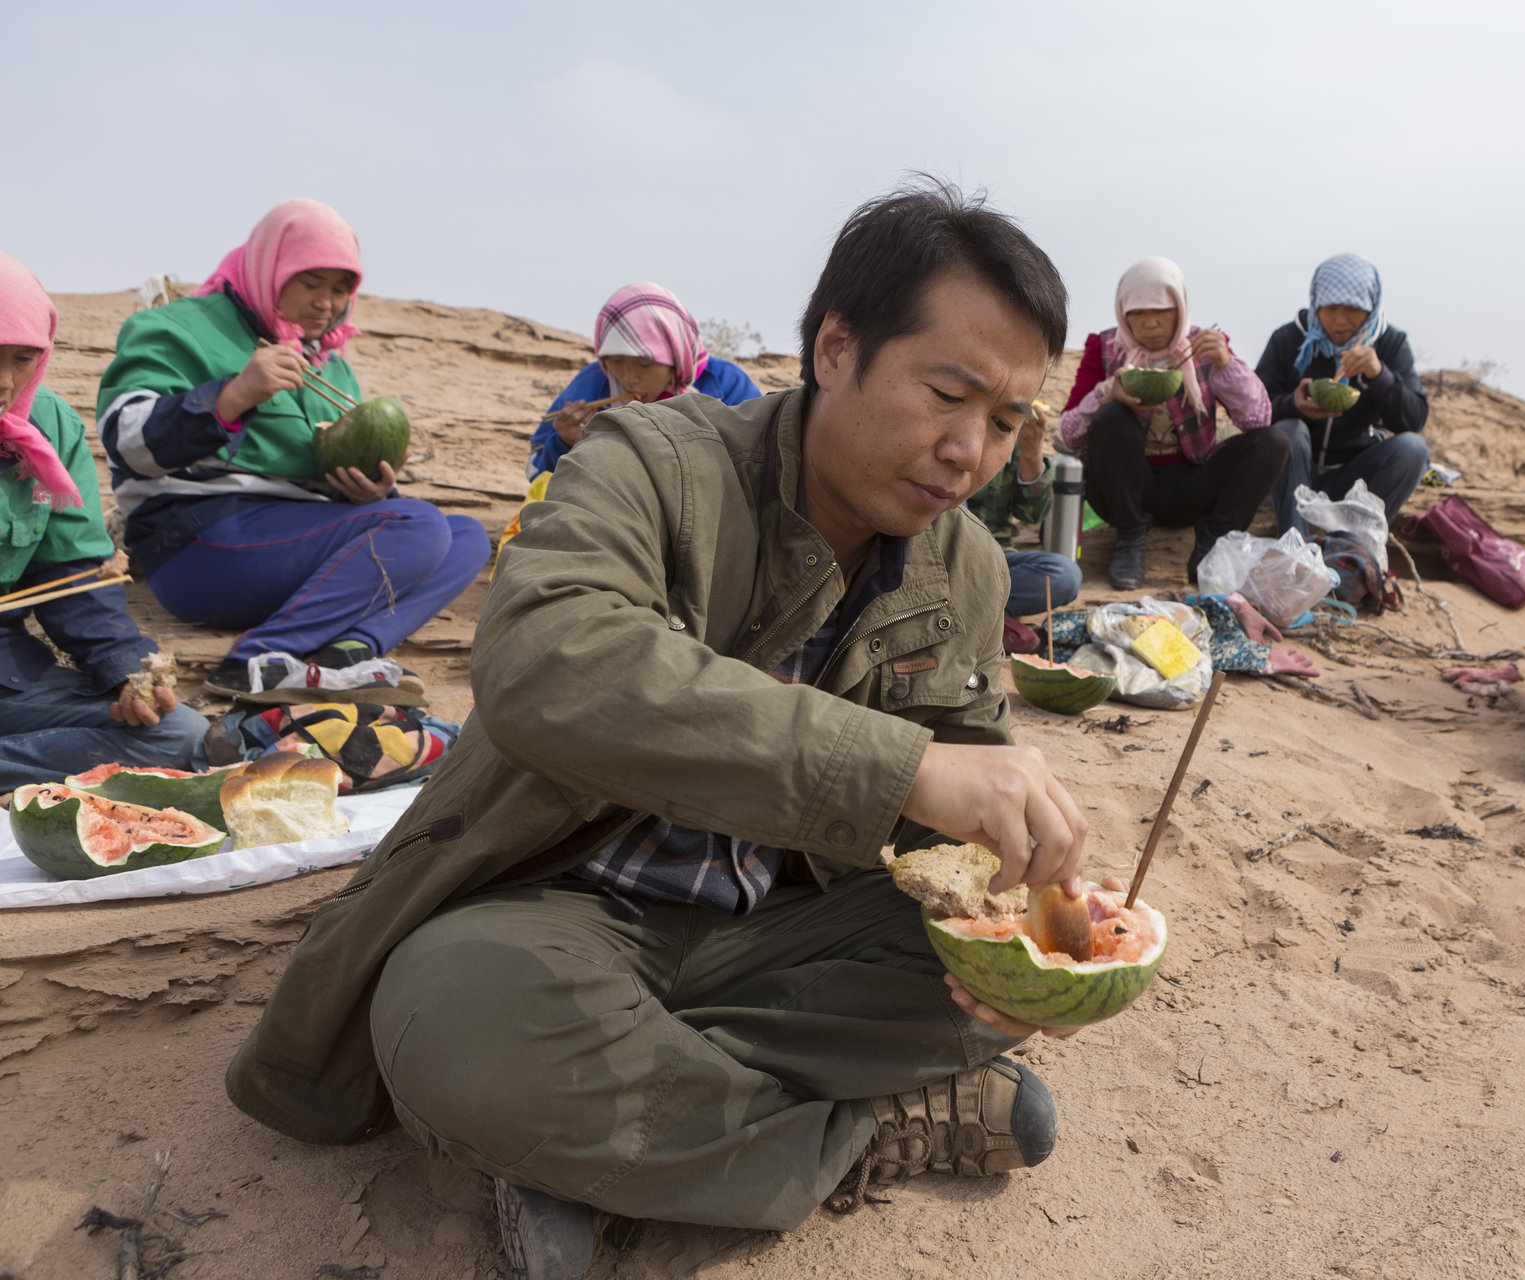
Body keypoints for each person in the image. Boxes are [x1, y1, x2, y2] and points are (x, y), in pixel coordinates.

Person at [226, 182, 1092, 1280]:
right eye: (948, 394)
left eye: (1007, 420)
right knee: (454, 1025)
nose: (971, 449)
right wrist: (902, 767)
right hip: (557, 907)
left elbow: (947, 816)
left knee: (991, 990)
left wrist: (1009, 914)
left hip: (779, 931)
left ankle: (611, 1139)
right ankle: (867, 1130)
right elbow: (546, 658)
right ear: (835, 346)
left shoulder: (966, 562)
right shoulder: (651, 461)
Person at [95, 199, 492, 704]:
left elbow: (319, 475)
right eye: (311, 282)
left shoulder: (330, 363)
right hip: (197, 544)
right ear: (270, 270)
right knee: (418, 525)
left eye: (340, 289)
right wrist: (231, 396)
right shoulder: (178, 326)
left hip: (289, 544)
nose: (326, 303)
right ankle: (255, 661)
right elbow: (126, 442)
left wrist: (371, 491)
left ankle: (345, 652)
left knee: (465, 535)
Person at [0, 252, 207, 788]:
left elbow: (74, 580)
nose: (5, 382)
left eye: (23, 359)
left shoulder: (49, 425)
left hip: (7, 678)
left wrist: (125, 673)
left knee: (178, 734)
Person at [1058, 257, 1281, 590]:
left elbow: (1257, 420)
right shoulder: (1102, 348)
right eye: (1138, 313)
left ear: (1179, 307)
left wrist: (1224, 363)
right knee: (1112, 416)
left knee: (1274, 442)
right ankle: (1131, 541)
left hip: (1193, 485)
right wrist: (1108, 395)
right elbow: (1069, 434)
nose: (1149, 324)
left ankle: (1213, 544)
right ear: (1123, 312)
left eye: (1160, 311)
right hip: (1124, 491)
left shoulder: (1207, 346)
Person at [1256, 253, 1429, 536]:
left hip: (1357, 475)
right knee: (1290, 429)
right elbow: (1254, 409)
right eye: (1330, 308)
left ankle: (1354, 546)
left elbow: (1414, 420)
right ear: (1315, 303)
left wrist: (1379, 375)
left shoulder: (1389, 343)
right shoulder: (1288, 339)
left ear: (1371, 307)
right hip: (1299, 474)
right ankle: (1294, 543)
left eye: (1352, 308)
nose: (1340, 320)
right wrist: (1292, 404)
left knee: (1413, 449)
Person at [525, 282, 760, 482]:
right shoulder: (594, 384)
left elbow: (761, 462)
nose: (628, 379)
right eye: (616, 361)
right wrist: (564, 443)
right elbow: (534, 471)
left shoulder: (725, 384)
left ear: (675, 357)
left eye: (645, 364)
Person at [965, 402, 1080, 653]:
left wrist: (1031, 452)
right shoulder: (956, 426)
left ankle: (975, 611)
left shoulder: (1013, 429)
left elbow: (1032, 513)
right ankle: (985, 618)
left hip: (995, 560)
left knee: (1065, 575)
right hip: (942, 558)